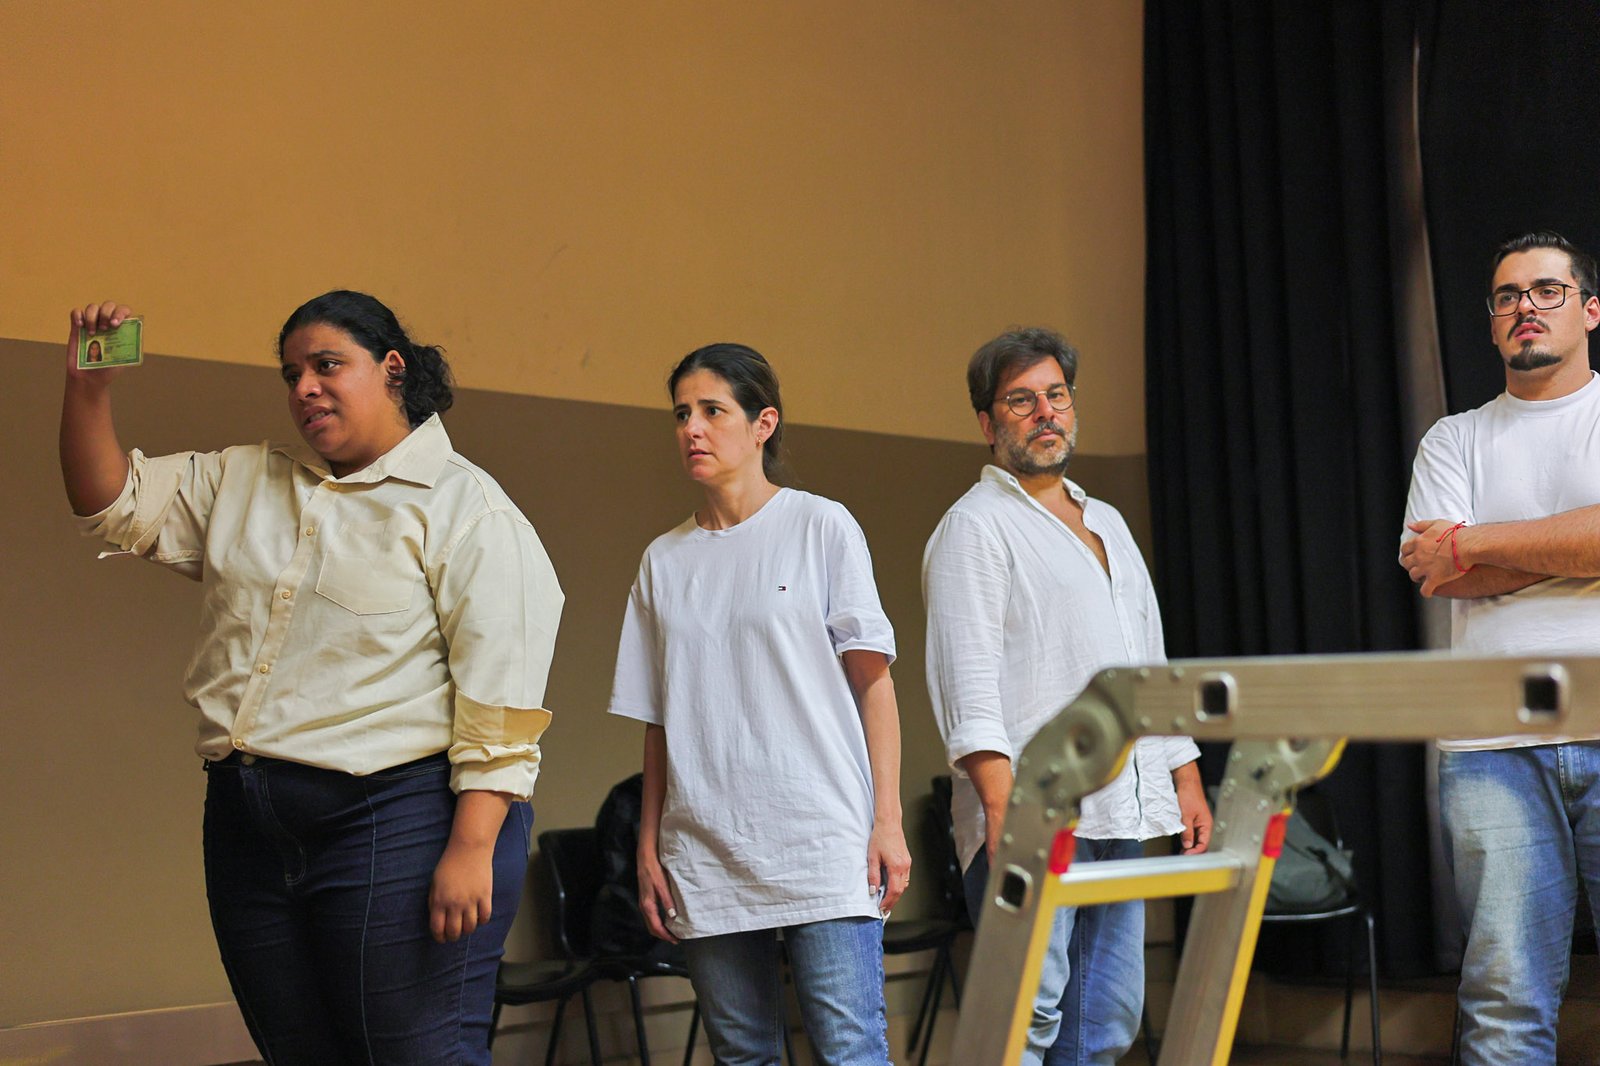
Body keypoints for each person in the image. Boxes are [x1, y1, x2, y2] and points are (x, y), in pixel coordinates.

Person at [59, 292, 563, 1065]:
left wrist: (471, 847)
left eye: (328, 365)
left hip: (396, 817)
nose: (304, 387)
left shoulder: (469, 510)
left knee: (415, 1056)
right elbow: (110, 505)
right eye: (292, 373)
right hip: (247, 821)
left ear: (391, 370)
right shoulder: (245, 479)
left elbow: (502, 701)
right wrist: (89, 386)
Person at [607, 342, 910, 1065]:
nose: (693, 429)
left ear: (763, 424)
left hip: (822, 837)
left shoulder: (821, 526)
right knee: (743, 1057)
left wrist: (888, 821)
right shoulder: (663, 561)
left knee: (851, 1051)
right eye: (682, 414)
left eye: (714, 411)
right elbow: (660, 720)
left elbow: (875, 683)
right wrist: (649, 844)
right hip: (706, 847)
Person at [923, 327, 1210, 1065]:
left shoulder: (1106, 522)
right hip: (1031, 812)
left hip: (1119, 807)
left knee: (1106, 1022)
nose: (1045, 412)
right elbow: (968, 686)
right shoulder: (973, 528)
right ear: (988, 425)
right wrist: (1004, 814)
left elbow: (1149, 663)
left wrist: (1185, 776)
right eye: (1021, 401)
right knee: (1027, 1021)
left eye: (1055, 395)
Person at [1400, 230, 1600, 1063]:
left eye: (1547, 290)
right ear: (1491, 325)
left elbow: (1463, 555)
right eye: (1509, 296)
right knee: (1503, 997)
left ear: (1590, 310)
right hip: (1490, 745)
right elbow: (1437, 574)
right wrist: (1568, 551)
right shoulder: (1451, 440)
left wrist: (1482, 542)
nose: (1527, 307)